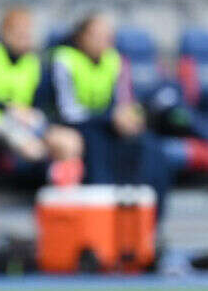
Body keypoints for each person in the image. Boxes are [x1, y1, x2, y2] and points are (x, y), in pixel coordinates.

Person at [47, 11, 169, 213]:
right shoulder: (64, 60)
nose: (104, 41)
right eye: (97, 35)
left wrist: (131, 117)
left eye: (107, 36)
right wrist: (109, 118)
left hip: (110, 125)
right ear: (81, 37)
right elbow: (68, 111)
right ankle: (101, 222)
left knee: (152, 149)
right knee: (96, 149)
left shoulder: (115, 60)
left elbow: (125, 102)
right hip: (78, 126)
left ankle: (148, 223)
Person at [0, 6, 82, 186]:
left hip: (26, 119)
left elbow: (40, 101)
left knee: (70, 141)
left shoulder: (32, 61)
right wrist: (9, 108)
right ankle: (42, 192)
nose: (25, 36)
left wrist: (31, 114)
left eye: (27, 31)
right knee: (33, 148)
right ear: (4, 32)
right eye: (18, 31)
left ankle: (65, 198)